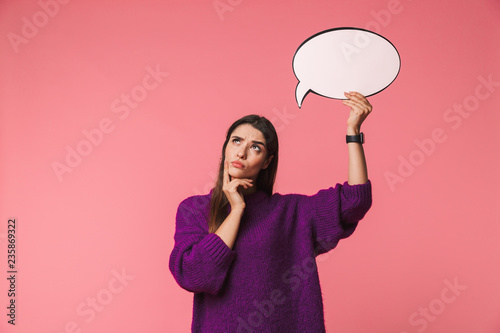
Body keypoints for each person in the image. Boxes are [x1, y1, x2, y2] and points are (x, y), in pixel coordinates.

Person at [169, 91, 373, 332]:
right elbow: (196, 275)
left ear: (267, 161)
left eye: (255, 147)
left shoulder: (291, 212)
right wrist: (236, 211)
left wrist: (353, 132)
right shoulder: (194, 209)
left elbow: (355, 200)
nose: (241, 152)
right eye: (236, 141)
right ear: (225, 147)